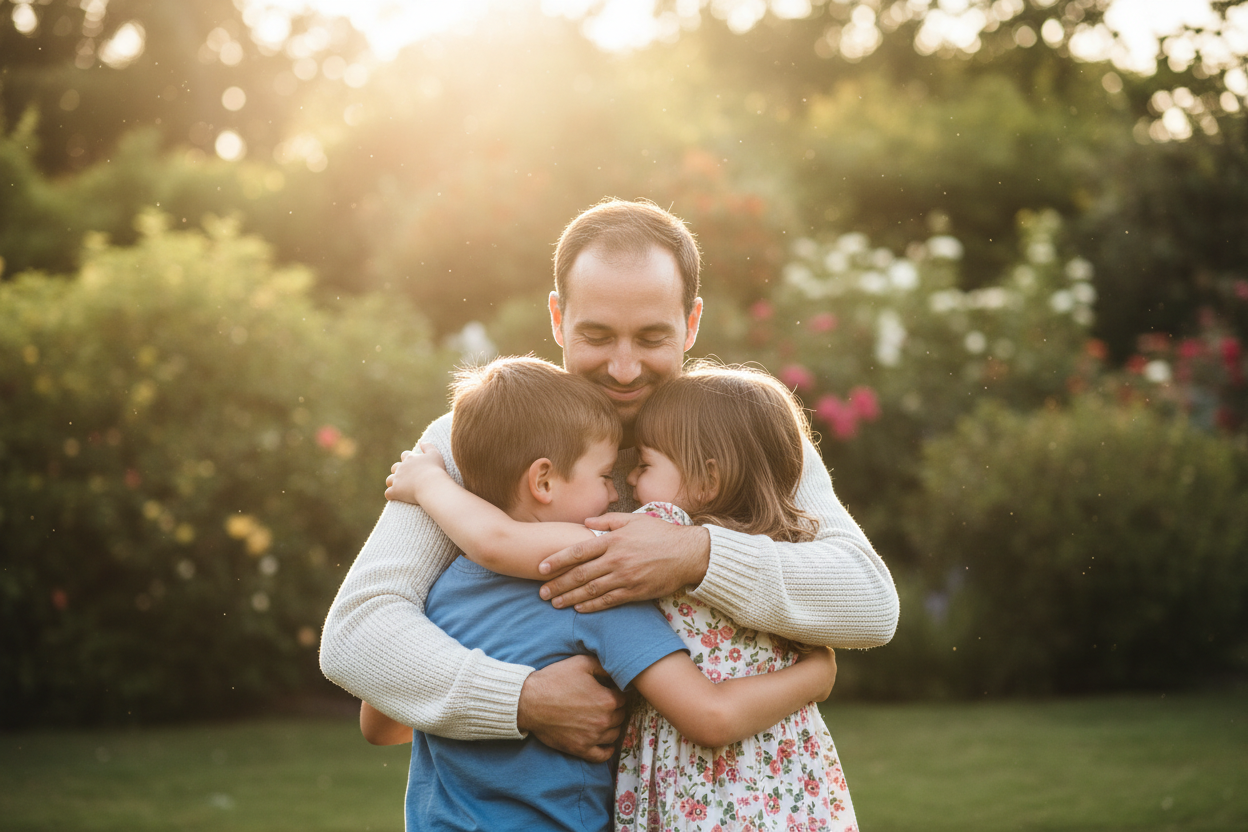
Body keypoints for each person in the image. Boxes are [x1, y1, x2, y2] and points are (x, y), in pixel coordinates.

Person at [320, 198, 898, 763]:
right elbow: (359, 629)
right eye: (597, 336)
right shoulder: (479, 435)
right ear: (557, 318)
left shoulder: (736, 435)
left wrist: (697, 555)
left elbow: (869, 603)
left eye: (651, 338)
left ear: (692, 322)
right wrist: (522, 700)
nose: (624, 369)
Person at [365, 356, 839, 831]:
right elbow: (709, 716)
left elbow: (380, 725)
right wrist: (816, 676)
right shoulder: (598, 591)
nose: (618, 494)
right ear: (544, 481)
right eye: (605, 476)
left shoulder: (438, 592)